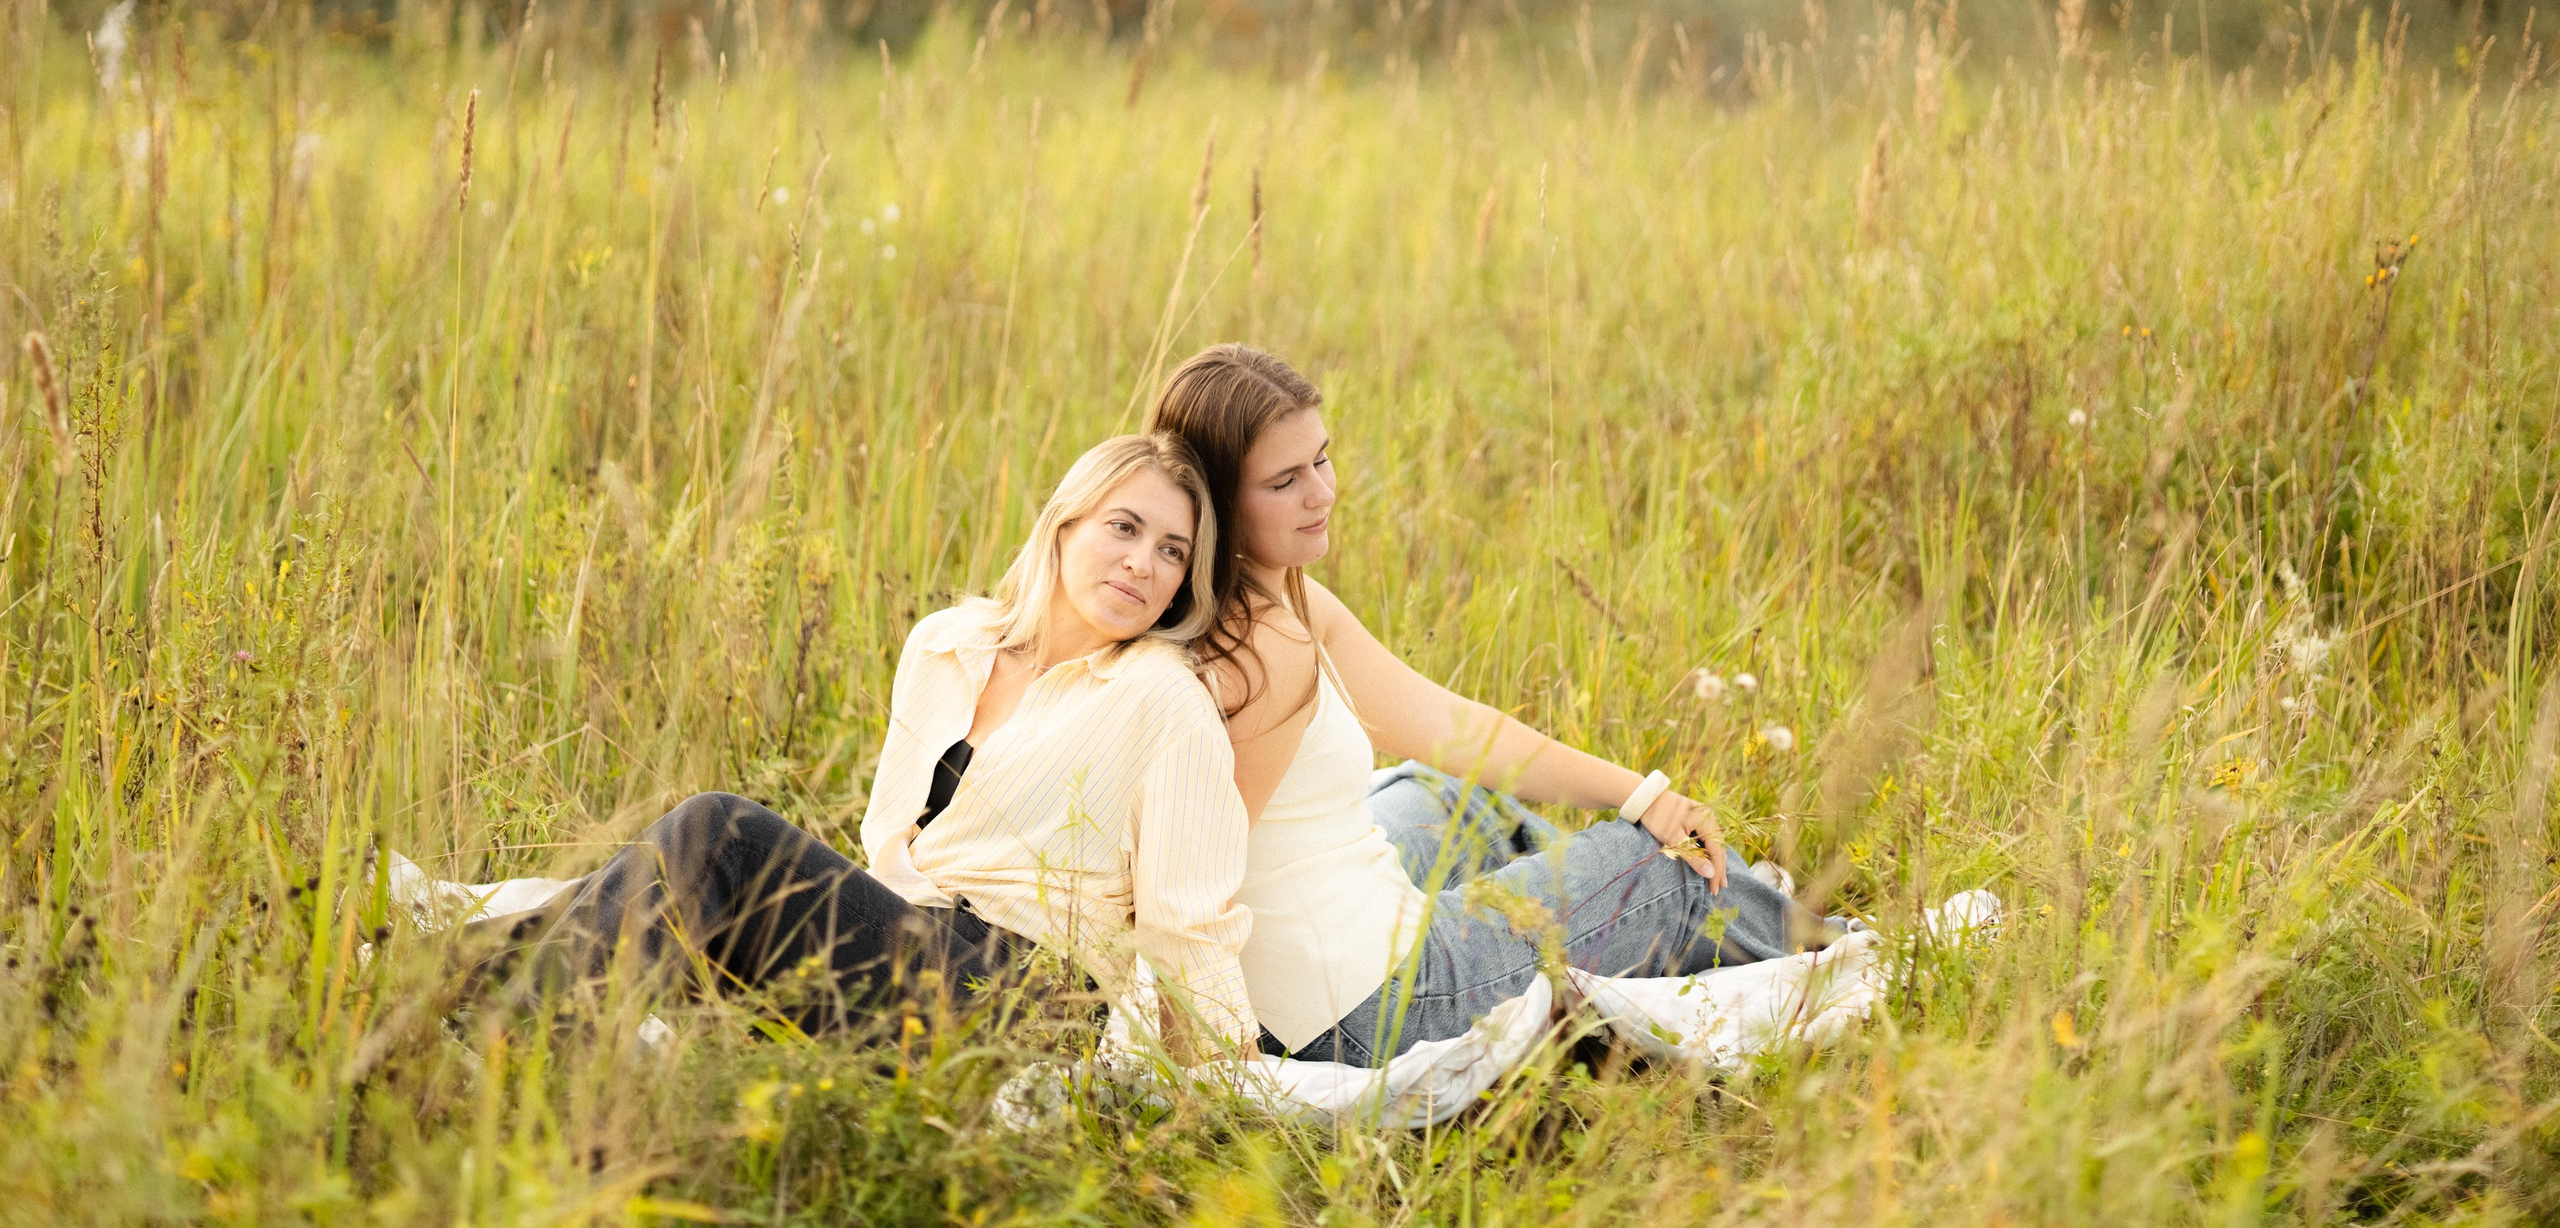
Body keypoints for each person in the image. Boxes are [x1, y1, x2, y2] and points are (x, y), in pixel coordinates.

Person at [463, 433, 1256, 1057]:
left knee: (718, 832)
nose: (1142, 562)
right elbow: (891, 850)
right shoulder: (949, 643)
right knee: (671, 894)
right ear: (1065, 522)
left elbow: (1188, 923)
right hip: (908, 934)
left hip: (1026, 995)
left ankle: (491, 1013)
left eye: (1172, 550)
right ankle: (452, 989)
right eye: (1125, 527)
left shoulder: (1164, 697)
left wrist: (1220, 1075)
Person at [1148, 346, 1826, 1066]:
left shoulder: (1254, 595)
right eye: (1284, 481)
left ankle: (1677, 901)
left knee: (1441, 796)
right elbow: (1193, 883)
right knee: (1661, 867)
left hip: (1322, 950)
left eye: (1322, 458)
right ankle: (1824, 939)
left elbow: (1451, 728)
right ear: (1211, 502)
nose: (1322, 492)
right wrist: (1216, 1062)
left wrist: (1641, 791)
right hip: (1368, 1007)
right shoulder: (1260, 644)